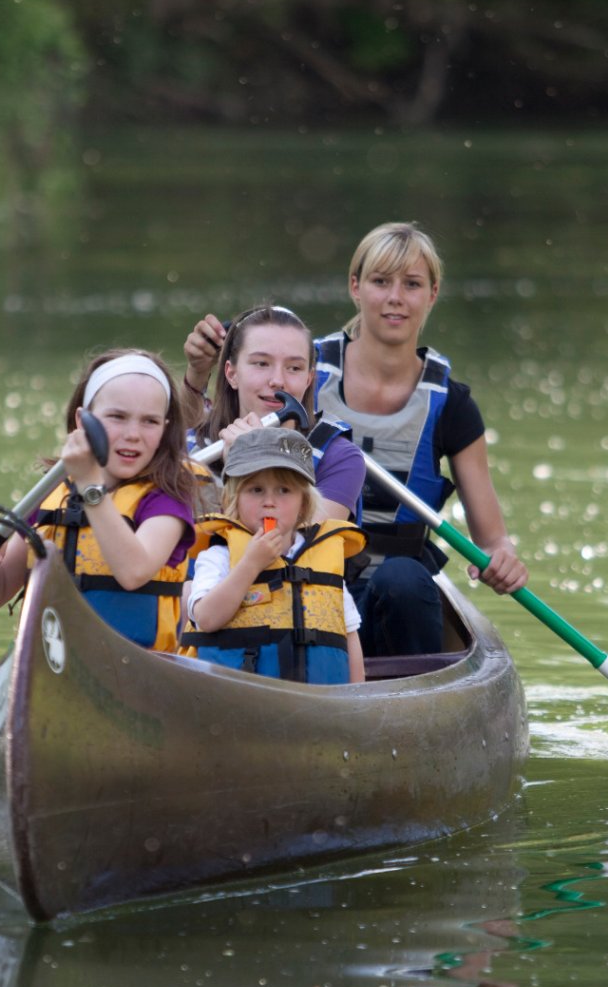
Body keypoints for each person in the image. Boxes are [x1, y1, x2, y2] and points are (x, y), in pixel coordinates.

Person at [190, 223, 527, 657]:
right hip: (261, 580)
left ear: (433, 293)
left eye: (412, 284)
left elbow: (492, 539)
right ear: (355, 286)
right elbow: (213, 398)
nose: (395, 298)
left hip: (376, 590)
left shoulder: (451, 407)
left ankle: (416, 697)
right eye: (381, 281)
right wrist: (196, 374)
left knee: (403, 579)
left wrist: (502, 557)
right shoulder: (294, 362)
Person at [0, 350, 196, 652]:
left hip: (133, 664)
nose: (133, 434)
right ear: (82, 420)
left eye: (149, 421)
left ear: (165, 428)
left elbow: (134, 572)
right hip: (51, 659)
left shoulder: (167, 499)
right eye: (117, 417)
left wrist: (90, 488)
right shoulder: (53, 492)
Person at [183, 428, 366, 685]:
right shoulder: (218, 556)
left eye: (284, 490)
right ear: (232, 499)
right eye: (256, 490)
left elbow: (348, 635)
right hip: (239, 705)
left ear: (303, 503)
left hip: (319, 709)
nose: (269, 501)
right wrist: (250, 564)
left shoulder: (324, 560)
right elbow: (207, 618)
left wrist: (356, 699)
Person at [179, 304, 365, 521]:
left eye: (294, 368)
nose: (278, 380)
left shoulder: (339, 457)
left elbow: (298, 548)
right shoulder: (191, 448)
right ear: (232, 374)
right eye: (261, 363)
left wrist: (250, 464)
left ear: (309, 379)